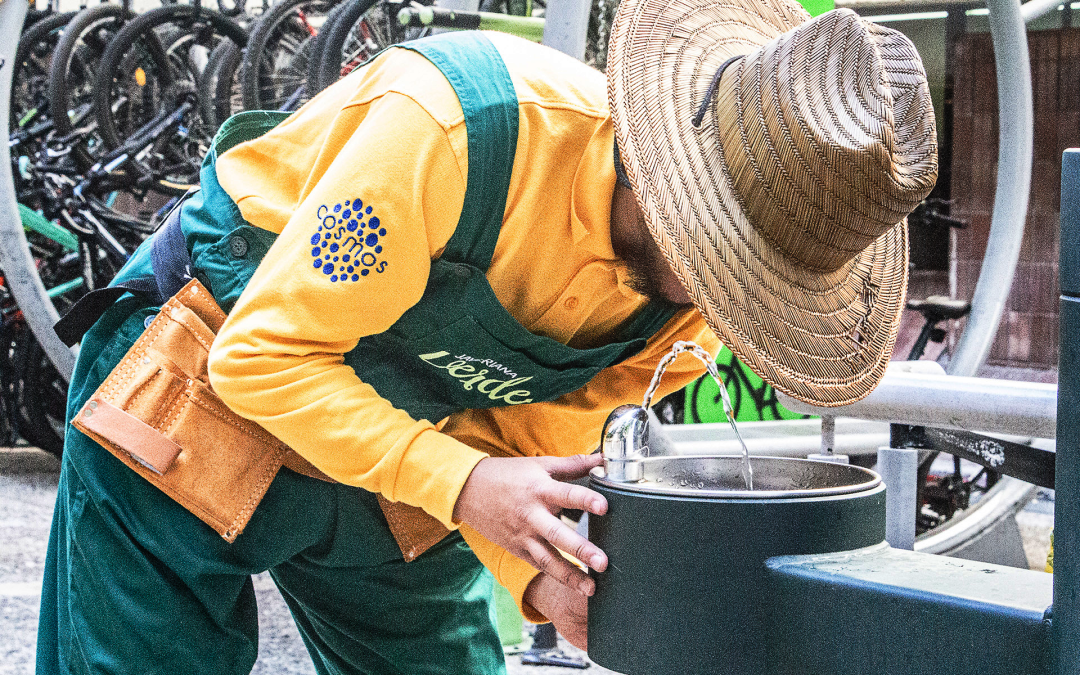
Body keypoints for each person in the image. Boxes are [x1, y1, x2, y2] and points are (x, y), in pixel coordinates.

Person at [37, 0, 937, 670]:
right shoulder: (454, 128)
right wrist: (461, 482)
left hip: (404, 439)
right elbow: (263, 359)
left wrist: (545, 575)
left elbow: (523, 442)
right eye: (736, 263)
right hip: (202, 385)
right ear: (676, 187)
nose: (731, 304)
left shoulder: (691, 317)